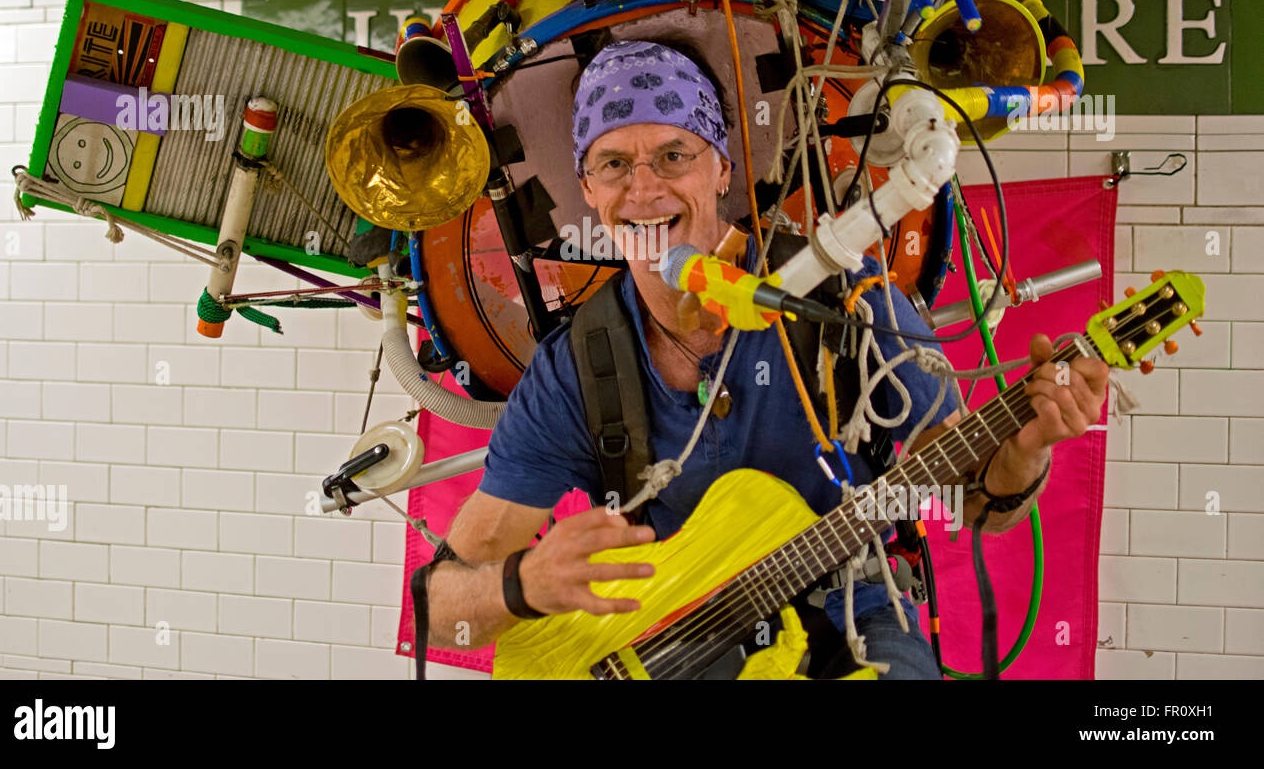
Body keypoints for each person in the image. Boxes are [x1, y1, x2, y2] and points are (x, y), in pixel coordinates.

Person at [421, 39, 1109, 679]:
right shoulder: (575, 365)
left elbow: (972, 504)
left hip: (851, 620)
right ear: (590, 192)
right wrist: (524, 584)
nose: (644, 188)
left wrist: (1023, 453)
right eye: (614, 164)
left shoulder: (850, 299)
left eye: (673, 155)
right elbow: (441, 616)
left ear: (722, 169)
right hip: (670, 641)